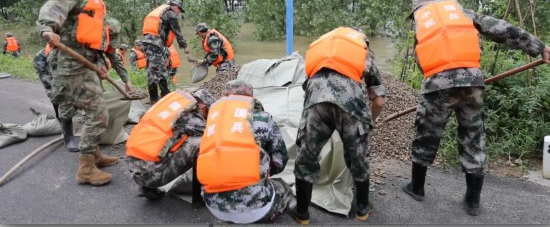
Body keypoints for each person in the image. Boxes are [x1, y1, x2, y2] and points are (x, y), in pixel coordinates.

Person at [402, 0, 550, 216]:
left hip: (438, 83)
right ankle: (472, 202)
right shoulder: (460, 12)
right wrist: (538, 46)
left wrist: (436, 80)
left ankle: (417, 187)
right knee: (473, 136)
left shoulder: (423, 21)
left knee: (426, 135)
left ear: (417, 10)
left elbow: (420, 59)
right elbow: (499, 28)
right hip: (472, 81)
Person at [289, 27, 386, 224]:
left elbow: (307, 88)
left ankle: (302, 214)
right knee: (358, 158)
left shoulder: (322, 49)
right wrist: (370, 123)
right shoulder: (363, 52)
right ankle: (362, 210)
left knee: (307, 156)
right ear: (363, 41)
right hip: (351, 104)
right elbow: (379, 101)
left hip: (316, 99)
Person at [36, 0, 119, 186]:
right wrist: (47, 28)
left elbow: (96, 37)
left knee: (94, 111)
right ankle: (86, 169)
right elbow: (52, 7)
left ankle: (94, 156)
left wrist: (101, 66)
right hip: (74, 66)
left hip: (86, 63)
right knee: (99, 115)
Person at [198, 80, 292, 224]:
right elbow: (280, 160)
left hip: (213, 206)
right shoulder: (263, 118)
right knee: (283, 186)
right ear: (250, 98)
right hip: (256, 209)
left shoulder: (213, 121)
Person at [126, 88, 215, 205]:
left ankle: (147, 188)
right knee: (202, 143)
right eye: (207, 114)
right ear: (203, 107)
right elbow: (213, 135)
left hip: (135, 169)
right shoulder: (190, 117)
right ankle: (199, 196)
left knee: (175, 139)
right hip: (151, 175)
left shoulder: (169, 106)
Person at [142, 0, 190, 104]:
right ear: (175, 7)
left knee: (158, 68)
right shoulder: (170, 14)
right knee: (155, 70)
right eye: (179, 10)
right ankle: (155, 98)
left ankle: (163, 94)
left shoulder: (161, 13)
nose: (179, 13)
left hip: (148, 42)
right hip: (155, 43)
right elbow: (178, 32)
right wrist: (185, 47)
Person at [33, 44, 79, 152]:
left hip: (62, 63)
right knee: (57, 95)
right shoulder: (43, 56)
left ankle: (66, 120)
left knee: (72, 94)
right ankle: (68, 137)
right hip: (44, 63)